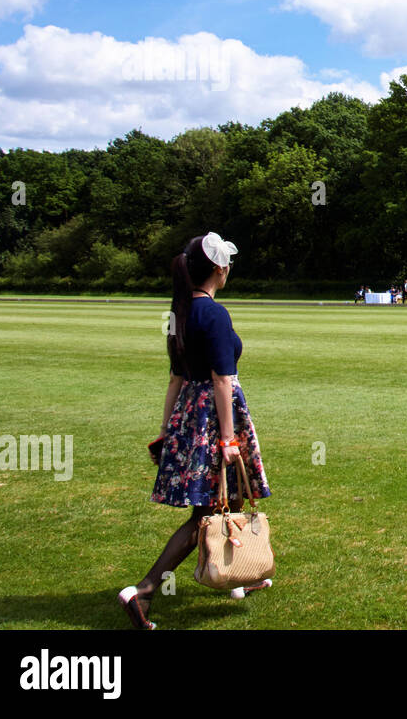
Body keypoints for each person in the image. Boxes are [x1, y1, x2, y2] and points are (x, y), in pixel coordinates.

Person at [120, 232, 271, 630]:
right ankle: (144, 591)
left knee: (230, 497)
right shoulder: (215, 314)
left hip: (189, 414)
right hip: (213, 417)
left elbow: (174, 380)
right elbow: (223, 380)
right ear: (219, 269)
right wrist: (227, 439)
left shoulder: (181, 312)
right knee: (206, 511)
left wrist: (167, 431)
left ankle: (236, 577)